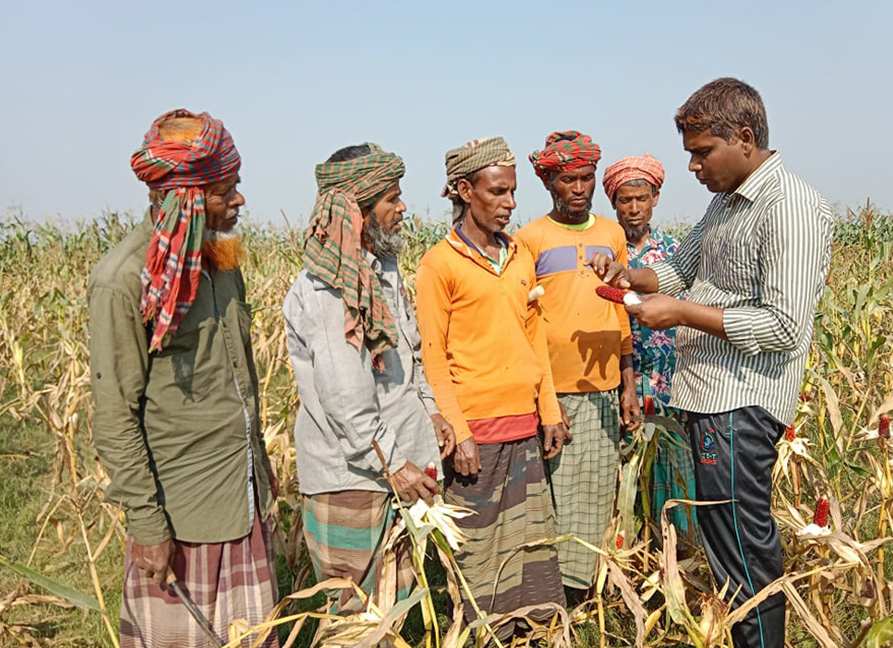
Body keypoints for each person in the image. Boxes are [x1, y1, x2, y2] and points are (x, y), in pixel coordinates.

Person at [592, 78, 833, 648]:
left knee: (743, 548)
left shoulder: (789, 207)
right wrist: (632, 277)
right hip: (709, 395)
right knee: (725, 543)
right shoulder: (725, 201)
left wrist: (679, 313)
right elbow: (678, 273)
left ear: (745, 138)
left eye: (703, 152)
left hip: (740, 403)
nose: (694, 167)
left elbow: (784, 326)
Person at [88, 110, 278, 648]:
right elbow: (115, 414)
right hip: (182, 517)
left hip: (240, 498)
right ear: (189, 199)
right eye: (226, 190)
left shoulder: (223, 261)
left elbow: (241, 380)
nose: (238, 201)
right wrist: (148, 526)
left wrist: (260, 469)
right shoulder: (123, 279)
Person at [283, 143, 453, 614]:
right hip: (353, 478)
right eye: (392, 199)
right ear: (359, 211)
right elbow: (346, 399)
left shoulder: (381, 272)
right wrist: (395, 464)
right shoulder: (329, 288)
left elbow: (410, 355)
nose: (403, 209)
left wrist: (430, 410)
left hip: (390, 469)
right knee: (355, 617)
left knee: (388, 612)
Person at [415, 137, 568, 637]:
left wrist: (547, 410)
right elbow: (432, 354)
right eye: (498, 192)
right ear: (465, 190)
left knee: (530, 539)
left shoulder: (520, 256)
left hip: (523, 423)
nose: (510, 204)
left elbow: (535, 337)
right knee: (478, 546)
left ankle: (534, 629)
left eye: (513, 192)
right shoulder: (439, 264)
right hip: (476, 431)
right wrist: (457, 429)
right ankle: (484, 632)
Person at [514, 131, 639, 592]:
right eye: (569, 180)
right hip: (554, 393)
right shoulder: (530, 240)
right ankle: (553, 591)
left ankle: (585, 588)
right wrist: (544, 398)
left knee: (597, 490)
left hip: (604, 388)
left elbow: (623, 310)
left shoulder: (612, 234)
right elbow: (525, 320)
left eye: (587, 178)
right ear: (550, 183)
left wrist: (627, 382)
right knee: (556, 494)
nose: (580, 188)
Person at [601, 155, 697, 539]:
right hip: (622, 382)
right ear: (613, 203)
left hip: (669, 381)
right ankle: (629, 555)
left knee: (672, 467)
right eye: (626, 200)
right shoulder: (605, 253)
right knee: (626, 475)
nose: (634, 208)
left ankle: (677, 554)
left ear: (656, 197)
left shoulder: (675, 254)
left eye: (642, 198)